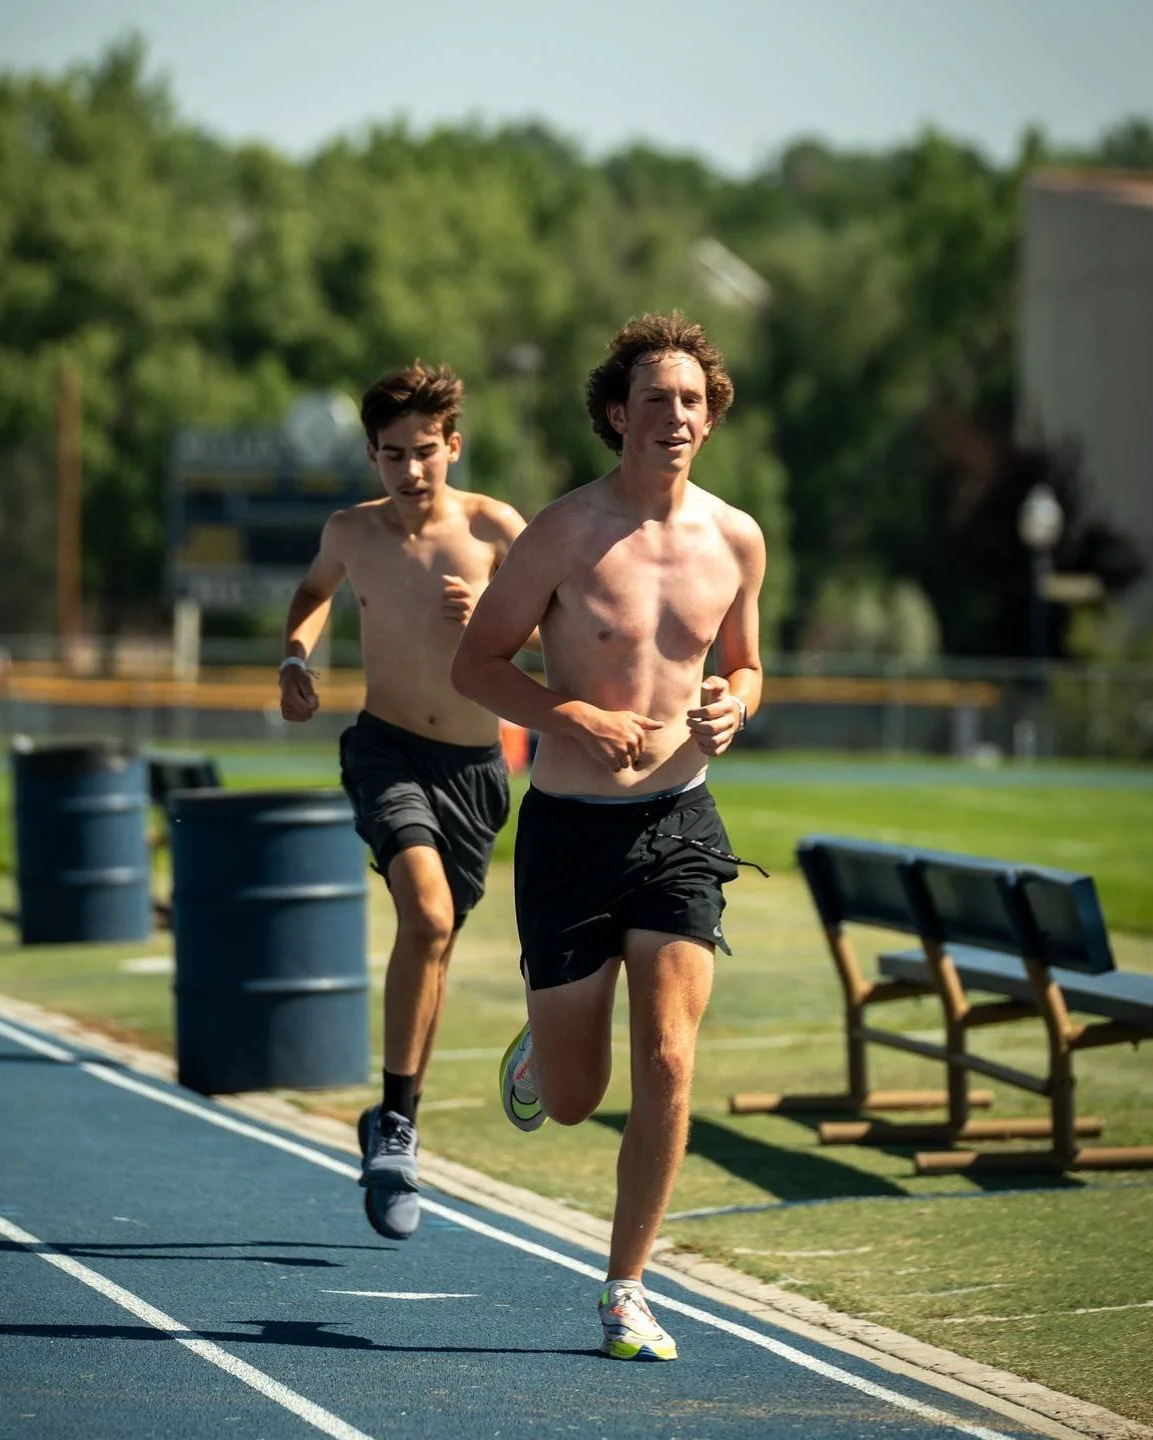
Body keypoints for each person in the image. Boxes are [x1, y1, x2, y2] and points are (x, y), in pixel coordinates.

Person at [450, 312, 765, 1361]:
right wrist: (569, 716)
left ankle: (626, 1287)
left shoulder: (737, 538)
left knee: (670, 1060)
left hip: (681, 821)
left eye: (692, 400)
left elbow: (747, 663)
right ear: (616, 415)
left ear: (709, 417)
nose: (675, 416)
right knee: (581, 1100)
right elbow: (478, 667)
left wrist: (736, 705)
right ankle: (547, 1050)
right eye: (656, 400)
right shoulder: (562, 534)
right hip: (572, 833)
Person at [279, 361, 530, 1242]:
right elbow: (312, 595)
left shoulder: (498, 527)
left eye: (426, 452)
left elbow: (567, 623)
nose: (411, 471)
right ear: (372, 457)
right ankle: (395, 1124)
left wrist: (503, 615)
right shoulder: (352, 532)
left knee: (437, 941)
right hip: (386, 748)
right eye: (392, 456)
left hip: (474, 767)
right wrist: (296, 660)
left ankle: (396, 1122)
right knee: (423, 918)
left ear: (453, 446)